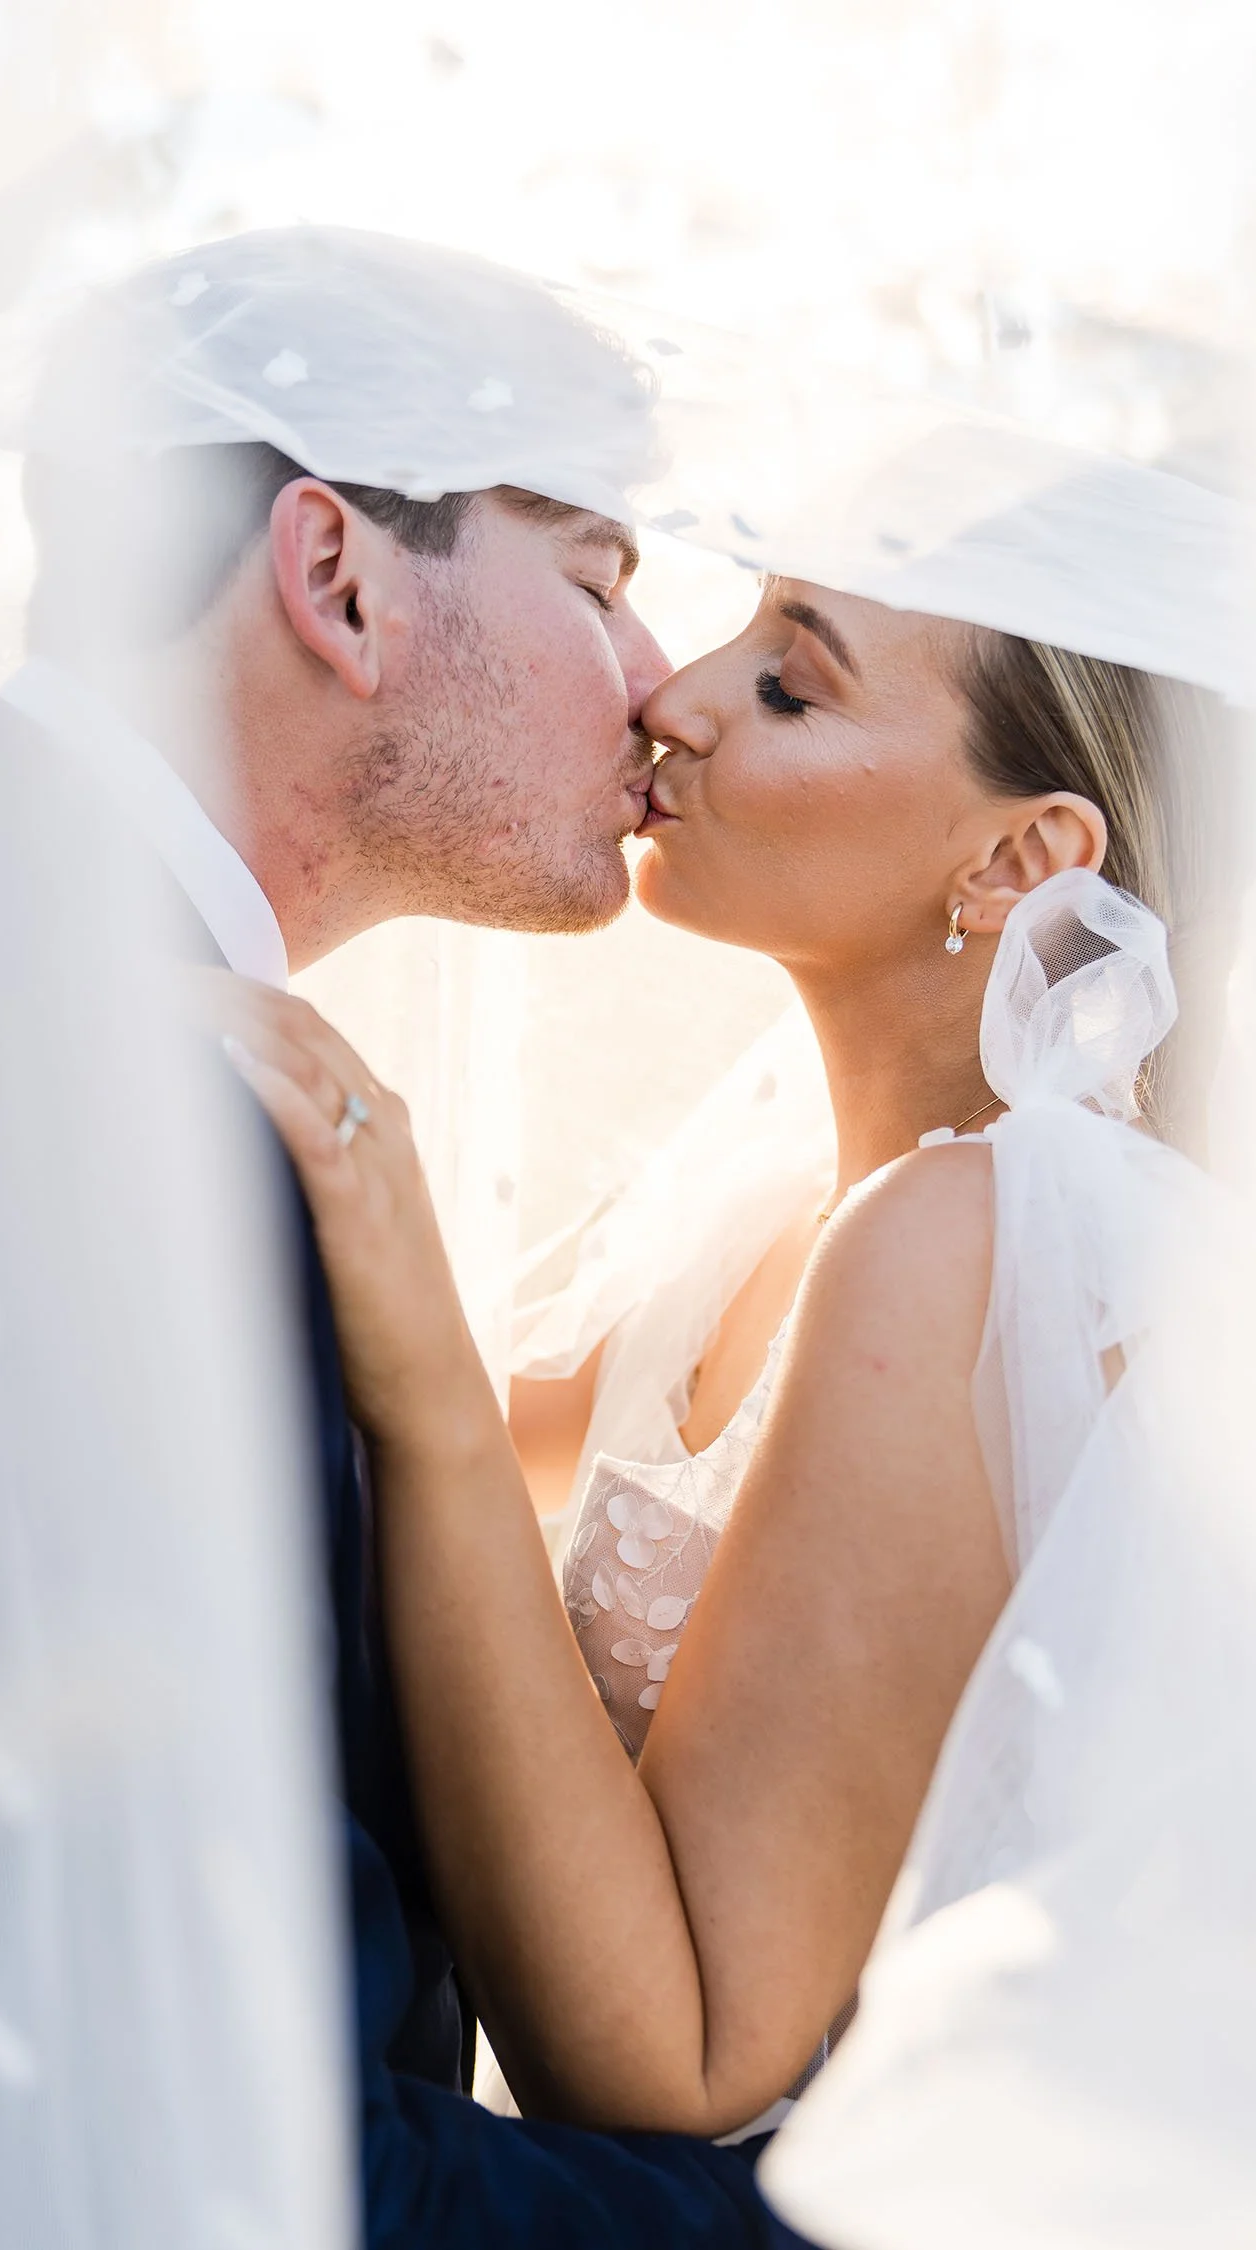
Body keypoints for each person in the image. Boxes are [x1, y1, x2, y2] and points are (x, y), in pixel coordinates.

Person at [0, 229, 811, 2246]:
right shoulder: (85, 1098)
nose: (659, 679)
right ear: (336, 578)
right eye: (598, 578)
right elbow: (191, 2145)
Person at [212, 560, 1247, 2175]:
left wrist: (411, 1308)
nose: (674, 697)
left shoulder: (970, 1245)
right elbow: (389, 1495)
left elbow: (673, 2064)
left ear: (1018, 857)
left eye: (789, 685)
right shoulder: (766, 1210)